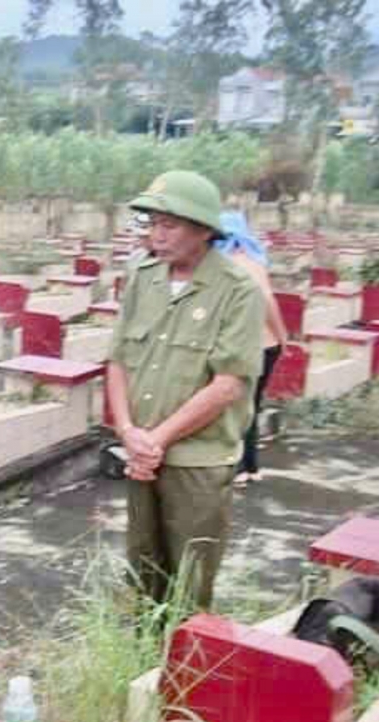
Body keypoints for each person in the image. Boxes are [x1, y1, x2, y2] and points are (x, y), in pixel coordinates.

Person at [106, 171, 263, 610]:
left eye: (169, 224)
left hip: (197, 460)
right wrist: (127, 432)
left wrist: (155, 440)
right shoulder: (142, 275)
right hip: (141, 454)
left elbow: (227, 385)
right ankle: (142, 665)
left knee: (190, 580)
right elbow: (117, 358)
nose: (157, 234)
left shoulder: (238, 291)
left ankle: (184, 667)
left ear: (204, 230)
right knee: (143, 570)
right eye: (152, 223)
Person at [214, 211, 287, 485]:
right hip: (267, 346)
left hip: (243, 347)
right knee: (252, 405)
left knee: (234, 407)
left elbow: (265, 301)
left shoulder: (224, 264)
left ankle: (239, 467)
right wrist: (282, 338)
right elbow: (269, 300)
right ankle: (252, 466)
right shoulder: (254, 261)